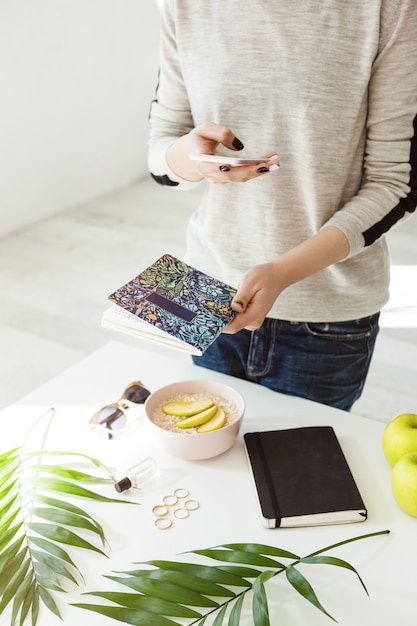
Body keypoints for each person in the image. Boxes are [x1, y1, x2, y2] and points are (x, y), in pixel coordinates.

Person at [148, 1, 417, 411]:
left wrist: (282, 272)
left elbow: (395, 183)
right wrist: (195, 159)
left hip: (326, 313)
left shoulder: (389, 9)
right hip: (205, 287)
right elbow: (161, 151)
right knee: (208, 460)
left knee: (299, 470)